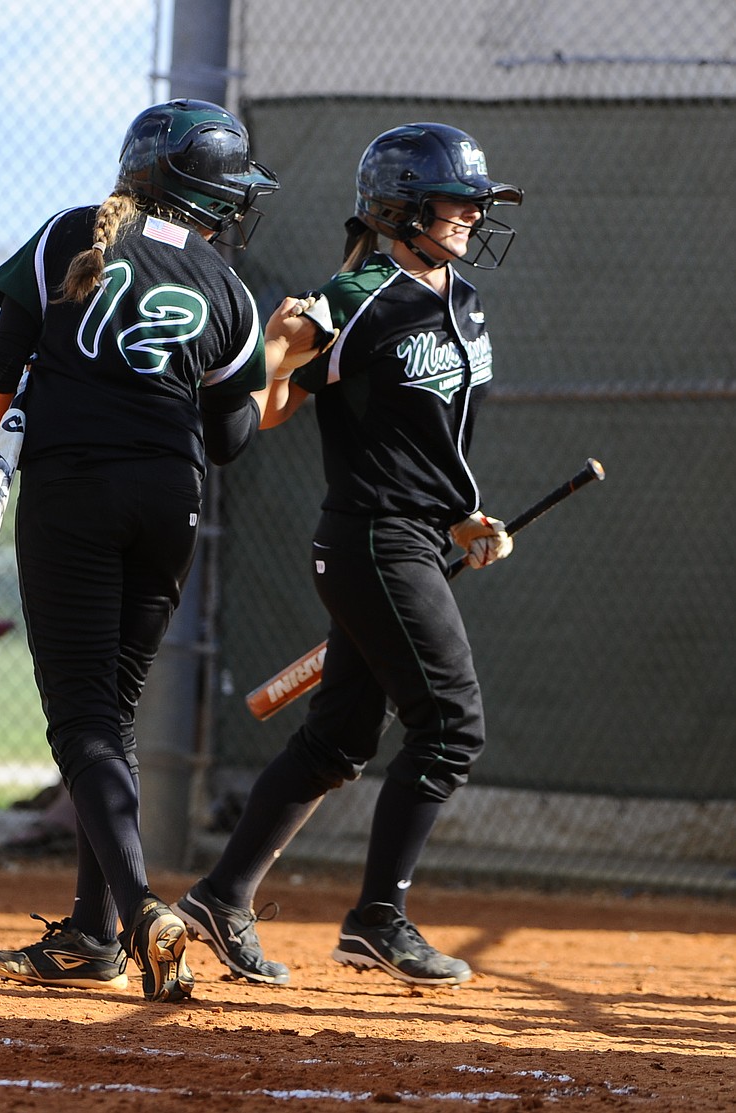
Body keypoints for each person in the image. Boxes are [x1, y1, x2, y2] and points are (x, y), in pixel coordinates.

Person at [0, 99, 280, 1002]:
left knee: (82, 718)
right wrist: (271, 365)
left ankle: (137, 913)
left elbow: (0, 367)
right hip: (171, 501)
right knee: (112, 713)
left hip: (76, 493)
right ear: (207, 196)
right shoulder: (228, 285)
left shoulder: (71, 234)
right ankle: (93, 934)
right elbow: (232, 437)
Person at [171, 122, 523, 988]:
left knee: (336, 741)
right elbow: (265, 412)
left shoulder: (465, 298)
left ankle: (221, 895)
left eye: (478, 202)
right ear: (401, 208)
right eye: (456, 201)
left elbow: (430, 439)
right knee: (450, 724)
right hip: (372, 538)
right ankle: (377, 917)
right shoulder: (353, 297)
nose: (474, 214)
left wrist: (464, 516)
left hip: (417, 535)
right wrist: (277, 348)